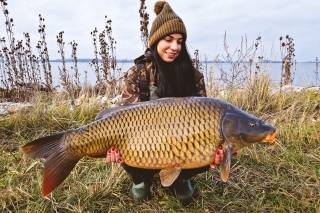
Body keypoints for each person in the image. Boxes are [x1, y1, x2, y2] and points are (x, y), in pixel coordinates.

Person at [105, 1, 224, 203]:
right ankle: (141, 180)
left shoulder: (193, 76)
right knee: (122, 147)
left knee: (211, 146)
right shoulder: (138, 73)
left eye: (180, 41)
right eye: (168, 40)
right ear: (156, 41)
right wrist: (112, 149)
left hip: (184, 143)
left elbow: (206, 120)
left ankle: (181, 178)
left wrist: (217, 151)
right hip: (142, 145)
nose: (175, 47)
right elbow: (124, 119)